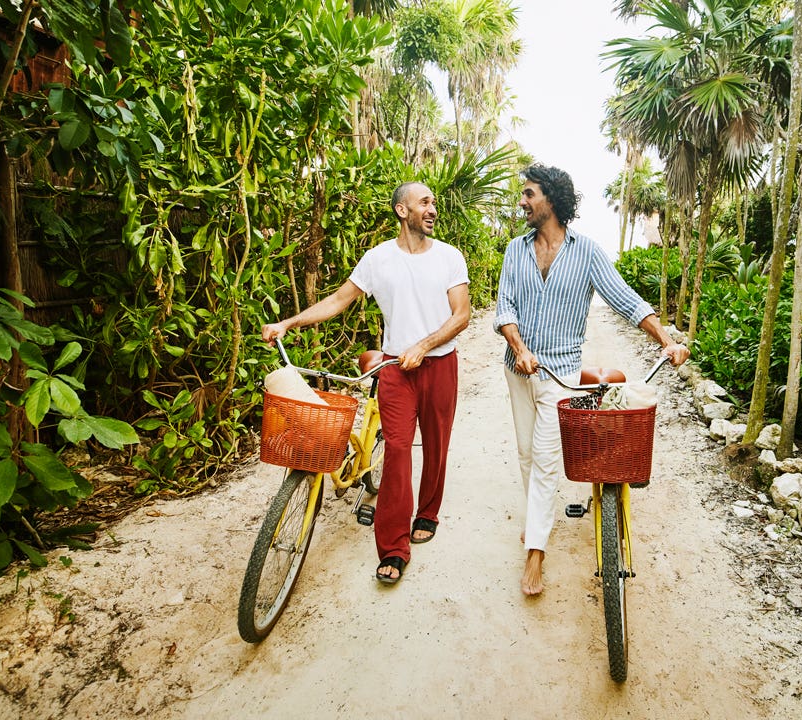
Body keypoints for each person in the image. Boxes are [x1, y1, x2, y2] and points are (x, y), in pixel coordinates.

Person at [494, 164, 690, 597]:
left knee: (546, 459)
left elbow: (625, 298)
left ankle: (536, 553)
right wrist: (520, 349)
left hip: (559, 376)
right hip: (517, 368)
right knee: (527, 455)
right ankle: (536, 524)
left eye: (529, 194)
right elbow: (505, 304)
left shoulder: (587, 252)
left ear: (552, 200)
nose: (522, 202)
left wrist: (666, 339)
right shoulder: (515, 249)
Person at [262, 181, 470, 585]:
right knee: (396, 450)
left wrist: (425, 345)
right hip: (395, 368)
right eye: (423, 202)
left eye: (433, 203)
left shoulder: (449, 257)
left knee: (436, 442)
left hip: (440, 364)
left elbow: (461, 315)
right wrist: (288, 322)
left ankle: (427, 511)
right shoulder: (378, 259)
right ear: (401, 210)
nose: (432, 209)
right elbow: (339, 300)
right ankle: (393, 546)